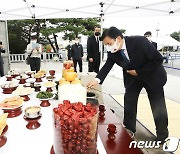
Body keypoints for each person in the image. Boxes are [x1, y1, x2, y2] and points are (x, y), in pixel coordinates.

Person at [87, 27, 168, 142]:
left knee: (158, 105)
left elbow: (157, 59)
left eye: (109, 43)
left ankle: (162, 135)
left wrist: (139, 72)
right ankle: (129, 129)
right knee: (129, 100)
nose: (108, 47)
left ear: (118, 39)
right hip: (133, 79)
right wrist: (96, 80)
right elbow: (107, 66)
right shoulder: (113, 52)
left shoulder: (140, 41)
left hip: (152, 75)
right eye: (106, 45)